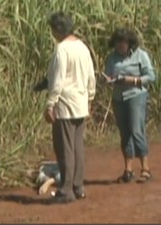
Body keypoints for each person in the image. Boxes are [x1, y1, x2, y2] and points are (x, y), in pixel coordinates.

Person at [43, 11, 96, 204]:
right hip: (80, 102)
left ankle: (66, 190)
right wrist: (90, 96)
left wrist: (50, 104)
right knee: (77, 146)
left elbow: (57, 81)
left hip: (65, 104)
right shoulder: (83, 47)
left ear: (58, 30)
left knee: (65, 148)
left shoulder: (62, 49)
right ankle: (77, 186)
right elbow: (91, 76)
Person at [104, 28, 156, 183]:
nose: (120, 47)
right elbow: (109, 74)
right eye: (117, 44)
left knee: (136, 130)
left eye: (123, 44)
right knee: (125, 132)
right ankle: (128, 169)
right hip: (119, 97)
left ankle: (145, 168)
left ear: (130, 43)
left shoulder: (141, 55)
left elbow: (151, 76)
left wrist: (131, 80)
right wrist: (109, 80)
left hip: (136, 95)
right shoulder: (112, 58)